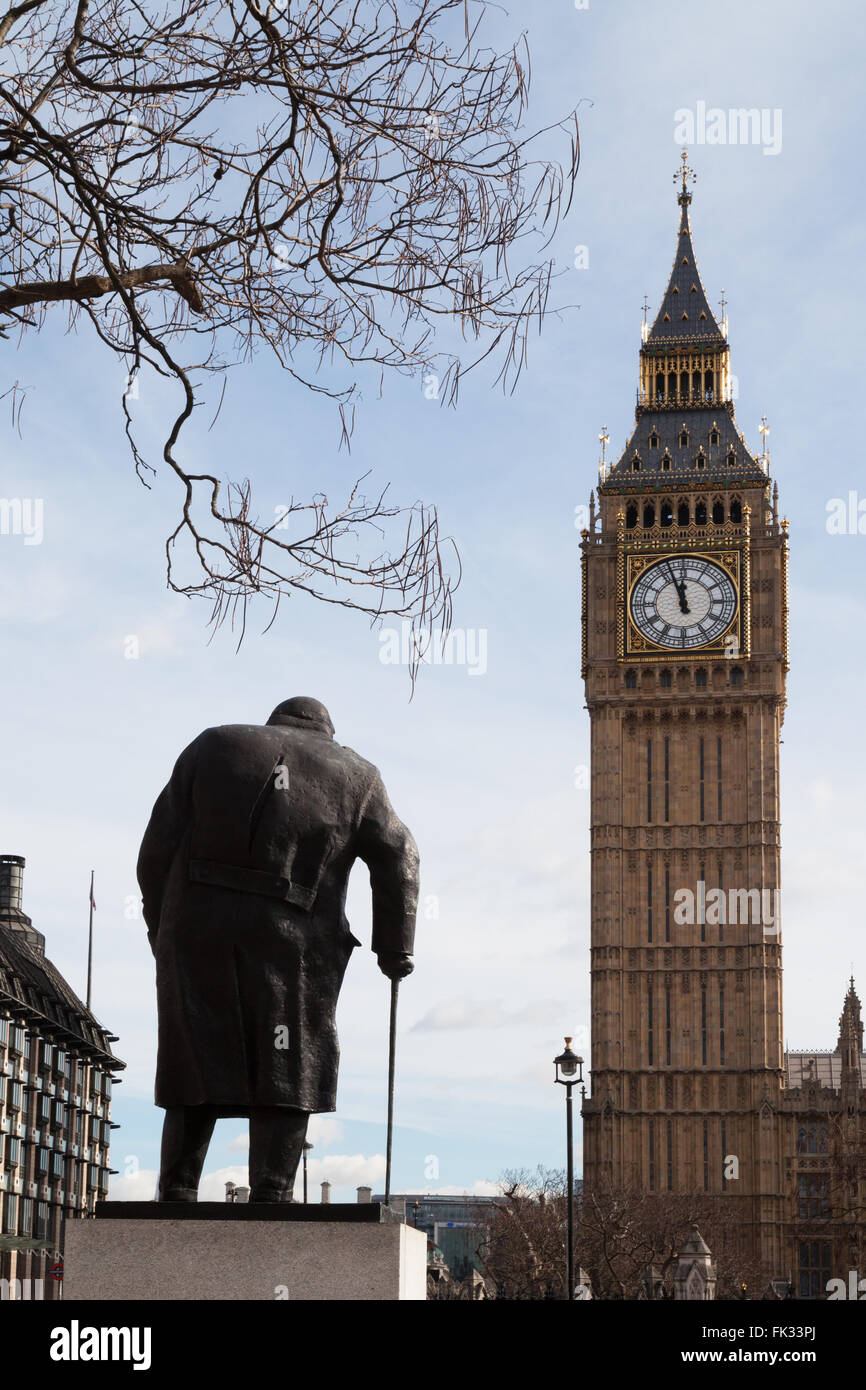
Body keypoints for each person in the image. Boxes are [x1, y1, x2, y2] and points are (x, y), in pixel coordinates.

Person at [136, 696, 419, 1202]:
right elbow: (399, 854)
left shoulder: (213, 743)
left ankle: (177, 1188)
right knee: (290, 1056)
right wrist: (394, 948)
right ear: (326, 731)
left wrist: (161, 925)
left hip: (196, 926)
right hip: (296, 939)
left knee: (193, 1049)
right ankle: (272, 1189)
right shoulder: (357, 774)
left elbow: (155, 847)